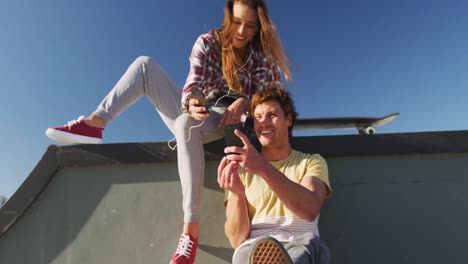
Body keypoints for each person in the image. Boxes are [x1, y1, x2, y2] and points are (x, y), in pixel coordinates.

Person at [45, 1, 291, 263]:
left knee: (184, 124)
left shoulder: (260, 57)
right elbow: (193, 83)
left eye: (250, 26)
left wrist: (247, 101)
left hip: (235, 124)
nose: (242, 31)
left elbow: (270, 99)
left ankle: (190, 231)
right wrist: (193, 100)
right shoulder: (208, 42)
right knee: (145, 65)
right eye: (237, 22)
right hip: (203, 114)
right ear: (228, 16)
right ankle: (95, 124)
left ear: (258, 27)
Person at [218, 87, 332, 264]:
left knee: (301, 255)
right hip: (253, 246)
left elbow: (310, 209)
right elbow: (236, 239)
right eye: (258, 118)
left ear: (288, 119)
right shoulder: (241, 170)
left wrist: (262, 167)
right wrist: (238, 194)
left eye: (271, 115)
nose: (264, 123)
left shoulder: (311, 162)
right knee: (242, 255)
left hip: (300, 242)